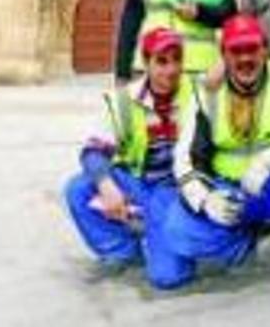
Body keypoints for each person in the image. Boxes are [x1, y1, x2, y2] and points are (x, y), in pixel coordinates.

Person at [160, 14, 270, 320]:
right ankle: (248, 236)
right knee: (178, 233)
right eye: (235, 51)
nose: (245, 59)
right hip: (229, 191)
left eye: (252, 49)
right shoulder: (206, 93)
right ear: (224, 55)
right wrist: (205, 200)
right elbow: (185, 158)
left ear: (265, 50)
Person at [65, 27, 193, 289]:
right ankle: (121, 251)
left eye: (176, 60)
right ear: (146, 63)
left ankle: (163, 236)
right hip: (139, 182)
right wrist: (106, 185)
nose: (171, 70)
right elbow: (92, 151)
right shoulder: (123, 100)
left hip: (176, 190)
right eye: (161, 61)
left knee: (168, 278)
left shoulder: (199, 93)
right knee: (78, 188)